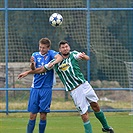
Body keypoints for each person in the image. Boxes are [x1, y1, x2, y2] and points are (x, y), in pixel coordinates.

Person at [18, 40, 114, 133]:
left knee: (95, 106)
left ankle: (106, 127)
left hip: (85, 85)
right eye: (63, 47)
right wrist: (28, 72)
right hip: (75, 90)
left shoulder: (74, 54)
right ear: (59, 50)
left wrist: (84, 56)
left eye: (66, 47)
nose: (65, 49)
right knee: (84, 114)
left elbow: (86, 58)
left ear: (69, 48)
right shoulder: (54, 62)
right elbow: (42, 69)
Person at [22, 38, 62, 133]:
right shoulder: (35, 55)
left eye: (44, 48)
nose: (41, 49)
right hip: (35, 88)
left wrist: (51, 64)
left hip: (46, 88)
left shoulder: (51, 54)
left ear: (48, 48)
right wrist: (32, 64)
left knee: (43, 114)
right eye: (40, 47)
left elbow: (59, 58)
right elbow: (33, 68)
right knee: (32, 114)